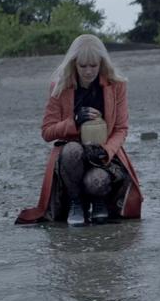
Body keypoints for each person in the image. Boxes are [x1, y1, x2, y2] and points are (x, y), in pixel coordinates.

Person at [15, 34, 143, 226]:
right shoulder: (59, 86)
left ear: (102, 63)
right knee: (72, 151)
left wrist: (106, 150)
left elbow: (121, 129)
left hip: (104, 155)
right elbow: (47, 132)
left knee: (96, 181)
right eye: (83, 66)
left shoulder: (117, 85)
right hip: (71, 157)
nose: (89, 71)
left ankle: (99, 203)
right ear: (74, 63)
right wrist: (73, 121)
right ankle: (76, 203)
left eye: (94, 66)